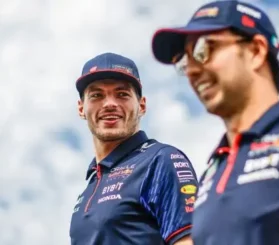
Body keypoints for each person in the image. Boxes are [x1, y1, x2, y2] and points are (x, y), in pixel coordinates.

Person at [151, 0, 279, 244]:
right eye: (185, 61)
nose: (191, 70)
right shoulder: (213, 170)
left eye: (204, 49)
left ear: (256, 51)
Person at [69, 52, 198, 245]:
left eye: (122, 94)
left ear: (142, 105)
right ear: (81, 109)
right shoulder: (90, 186)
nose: (110, 104)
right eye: (97, 95)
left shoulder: (161, 160)